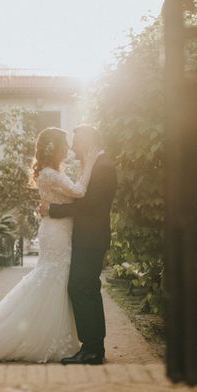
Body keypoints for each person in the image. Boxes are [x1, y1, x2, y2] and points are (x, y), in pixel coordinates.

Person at [0, 127, 99, 363]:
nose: (67, 148)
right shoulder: (49, 174)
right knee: (54, 279)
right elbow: (80, 191)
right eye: (64, 144)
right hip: (56, 234)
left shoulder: (51, 172)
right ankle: (36, 337)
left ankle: (57, 337)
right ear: (54, 148)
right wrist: (90, 163)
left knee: (57, 281)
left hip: (58, 230)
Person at [40, 124, 117, 365]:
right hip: (87, 238)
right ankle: (94, 348)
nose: (72, 146)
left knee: (80, 288)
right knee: (87, 289)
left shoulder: (103, 167)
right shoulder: (96, 165)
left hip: (91, 239)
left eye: (76, 141)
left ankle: (92, 348)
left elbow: (89, 205)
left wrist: (53, 209)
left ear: (89, 142)